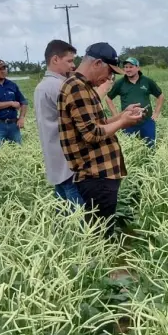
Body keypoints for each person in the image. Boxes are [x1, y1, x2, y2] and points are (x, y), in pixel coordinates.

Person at [57, 42, 144, 238]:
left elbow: (99, 124)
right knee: (101, 236)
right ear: (97, 63)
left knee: (102, 230)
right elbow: (92, 134)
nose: (109, 78)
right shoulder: (77, 88)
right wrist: (123, 123)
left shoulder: (84, 87)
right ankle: (102, 258)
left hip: (100, 174)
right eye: (109, 72)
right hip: (96, 175)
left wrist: (122, 115)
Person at [34, 39, 85, 207]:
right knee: (79, 215)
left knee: (63, 213)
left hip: (56, 160)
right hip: (69, 162)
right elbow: (82, 117)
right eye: (69, 61)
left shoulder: (42, 86)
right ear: (55, 59)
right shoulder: (59, 86)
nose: (73, 65)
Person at [105, 57, 164, 148]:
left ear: (138, 68)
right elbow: (108, 98)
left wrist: (156, 113)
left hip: (147, 122)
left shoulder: (147, 81)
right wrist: (116, 116)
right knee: (130, 148)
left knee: (150, 147)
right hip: (127, 123)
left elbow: (160, 96)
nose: (128, 69)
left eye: (131, 67)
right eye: (126, 67)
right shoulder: (120, 83)